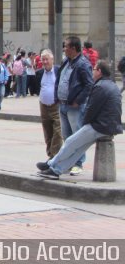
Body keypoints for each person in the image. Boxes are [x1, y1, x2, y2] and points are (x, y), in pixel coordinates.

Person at [37, 60, 123, 179]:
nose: (92, 71)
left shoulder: (99, 86)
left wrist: (84, 124)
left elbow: (91, 109)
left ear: (99, 71)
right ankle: (56, 170)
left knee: (70, 142)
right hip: (109, 126)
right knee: (78, 149)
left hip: (99, 126)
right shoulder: (112, 85)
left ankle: (51, 164)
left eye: (94, 69)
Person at [55, 36, 93, 176]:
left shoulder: (83, 64)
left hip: (75, 107)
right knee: (67, 137)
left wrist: (78, 100)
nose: (64, 49)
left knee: (77, 136)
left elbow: (89, 84)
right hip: (63, 104)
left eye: (66, 46)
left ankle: (78, 163)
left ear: (73, 48)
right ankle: (67, 163)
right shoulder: (66, 62)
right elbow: (60, 80)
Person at [34, 49, 62, 159]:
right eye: (43, 59)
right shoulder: (40, 73)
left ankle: (55, 156)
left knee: (58, 131)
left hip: (56, 105)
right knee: (47, 131)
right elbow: (37, 87)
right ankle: (50, 155)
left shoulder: (58, 71)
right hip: (43, 106)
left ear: (52, 59)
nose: (45, 62)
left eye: (47, 59)